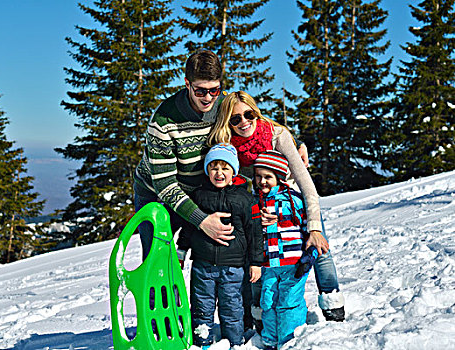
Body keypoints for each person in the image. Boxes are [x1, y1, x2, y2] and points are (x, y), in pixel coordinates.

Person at [134, 51, 309, 260]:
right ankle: (158, 292)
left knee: (212, 256)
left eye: (214, 90)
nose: (208, 98)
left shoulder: (223, 103)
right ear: (187, 83)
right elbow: (165, 185)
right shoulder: (163, 121)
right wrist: (201, 220)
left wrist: (295, 142)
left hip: (202, 188)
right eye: (200, 91)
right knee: (158, 259)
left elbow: (253, 120)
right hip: (156, 194)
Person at [208, 91, 345, 323]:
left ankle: (333, 304)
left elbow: (306, 184)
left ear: (256, 112)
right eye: (235, 119)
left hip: (293, 197)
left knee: (318, 248)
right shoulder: (228, 146)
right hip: (262, 203)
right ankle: (260, 313)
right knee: (260, 256)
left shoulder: (276, 134)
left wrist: (313, 227)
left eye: (248, 114)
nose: (244, 122)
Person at [175, 143, 263, 349]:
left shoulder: (244, 199)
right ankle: (202, 342)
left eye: (225, 168)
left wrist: (256, 262)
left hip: (233, 267)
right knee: (201, 306)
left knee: (232, 307)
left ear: (234, 171)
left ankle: (235, 342)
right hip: (202, 264)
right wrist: (181, 250)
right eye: (214, 167)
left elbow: (255, 232)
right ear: (207, 170)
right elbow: (189, 226)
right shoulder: (198, 196)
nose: (219, 172)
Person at [251, 150, 318, 348]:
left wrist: (309, 257)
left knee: (288, 301)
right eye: (258, 176)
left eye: (268, 177)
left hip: (293, 263)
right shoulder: (255, 202)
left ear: (279, 177)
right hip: (269, 264)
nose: (262, 181)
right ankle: (271, 339)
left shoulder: (293, 200)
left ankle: (289, 340)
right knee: (268, 301)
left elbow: (307, 229)